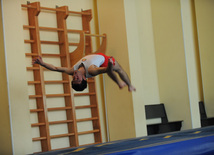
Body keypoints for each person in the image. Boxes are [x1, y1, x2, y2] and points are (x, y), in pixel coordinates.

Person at [32, 53, 136, 92]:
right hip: (104, 60)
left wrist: (42, 63)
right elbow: (107, 70)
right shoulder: (91, 70)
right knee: (118, 69)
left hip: (98, 57)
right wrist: (109, 64)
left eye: (73, 79)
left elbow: (55, 68)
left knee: (112, 71)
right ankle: (129, 85)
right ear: (84, 78)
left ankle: (120, 83)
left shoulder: (72, 71)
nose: (75, 76)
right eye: (78, 79)